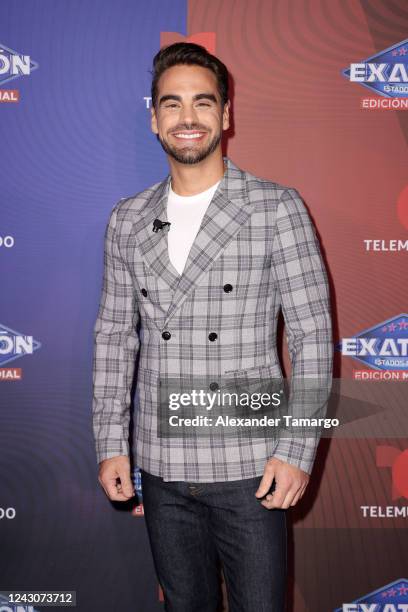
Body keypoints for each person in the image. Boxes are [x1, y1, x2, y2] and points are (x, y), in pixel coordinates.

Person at [92, 42, 333, 612]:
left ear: (226, 115)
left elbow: (313, 338)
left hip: (251, 468)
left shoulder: (276, 208)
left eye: (203, 102)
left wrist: (297, 450)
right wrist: (109, 442)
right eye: (171, 104)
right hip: (163, 467)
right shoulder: (127, 218)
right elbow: (114, 336)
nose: (188, 117)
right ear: (153, 118)